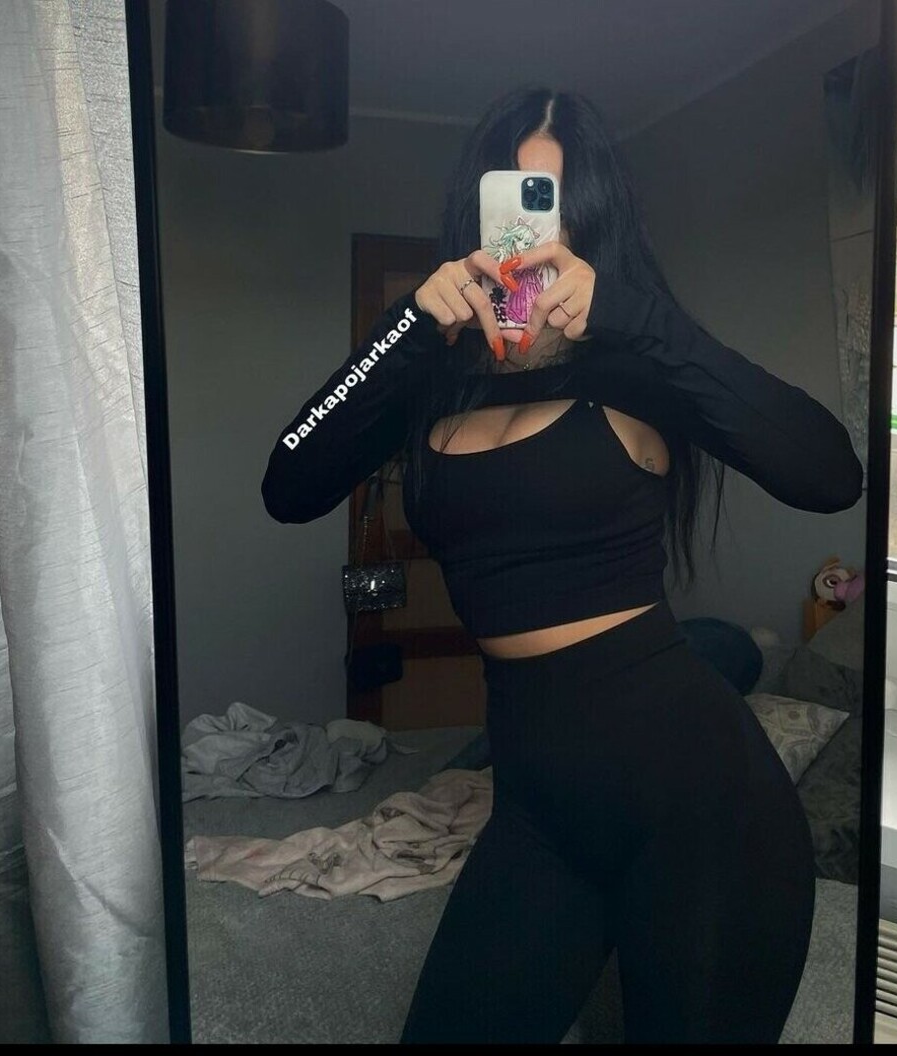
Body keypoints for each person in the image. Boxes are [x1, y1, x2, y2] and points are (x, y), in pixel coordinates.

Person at [261, 87, 863, 1044]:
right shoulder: (436, 371)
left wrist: (637, 317)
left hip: (700, 809)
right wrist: (405, 326)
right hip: (537, 814)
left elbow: (831, 475)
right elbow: (289, 484)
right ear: (478, 214)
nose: (529, 228)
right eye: (512, 196)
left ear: (588, 220)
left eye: (553, 200)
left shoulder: (635, 358)